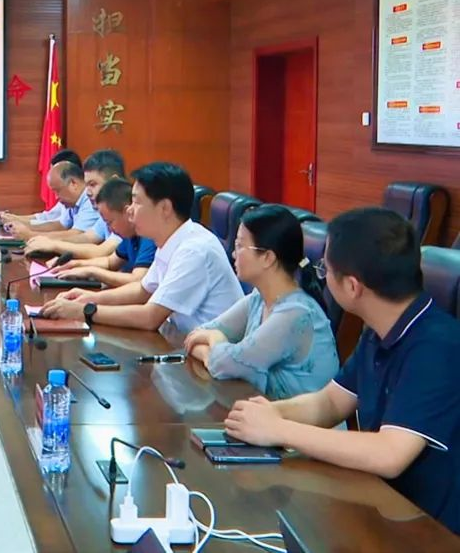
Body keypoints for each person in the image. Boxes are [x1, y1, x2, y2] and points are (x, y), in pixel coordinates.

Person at [225, 208, 460, 535]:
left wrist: (279, 430)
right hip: (385, 508)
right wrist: (270, 413)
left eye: (325, 269)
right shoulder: (379, 331)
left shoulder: (435, 346)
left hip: (431, 530)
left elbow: (390, 453)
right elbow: (331, 402)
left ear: (352, 286)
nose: (322, 277)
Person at [40, 162, 242, 333]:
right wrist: (89, 298)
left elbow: (150, 317)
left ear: (164, 208)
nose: (130, 211)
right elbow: (142, 290)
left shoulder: (194, 250)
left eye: (136, 202)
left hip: (212, 359)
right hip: (183, 343)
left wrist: (85, 311)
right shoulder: (169, 241)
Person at [183, 204, 338, 399]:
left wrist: (216, 340)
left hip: (298, 418)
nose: (233, 253)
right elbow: (195, 336)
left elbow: (223, 364)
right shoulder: (259, 298)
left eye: (240, 246)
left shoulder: (295, 313)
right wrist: (220, 355)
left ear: (267, 258)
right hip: (266, 411)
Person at [48, 178, 156, 288]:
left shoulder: (148, 236)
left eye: (110, 222)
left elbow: (137, 280)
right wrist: (76, 264)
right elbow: (110, 262)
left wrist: (92, 272)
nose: (110, 229)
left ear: (127, 212)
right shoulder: (129, 235)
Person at [22, 149, 125, 258]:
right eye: (87, 185)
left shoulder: (125, 213)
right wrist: (47, 242)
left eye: (93, 184)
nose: (88, 192)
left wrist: (54, 245)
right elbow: (87, 238)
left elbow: (100, 251)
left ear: (114, 181)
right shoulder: (107, 211)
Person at [0, 149, 81, 226]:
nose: (56, 196)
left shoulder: (81, 200)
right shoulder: (68, 199)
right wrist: (13, 218)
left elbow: (58, 226)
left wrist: (17, 223)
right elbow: (47, 218)